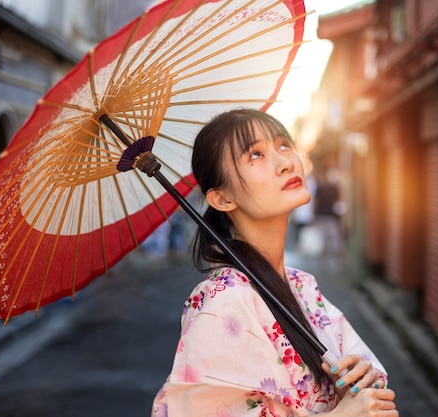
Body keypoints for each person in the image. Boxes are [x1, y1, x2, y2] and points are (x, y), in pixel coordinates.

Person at [151, 109, 398, 416]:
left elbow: (370, 385)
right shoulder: (221, 301)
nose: (285, 162)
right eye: (256, 154)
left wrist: (359, 381)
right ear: (223, 199)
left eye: (283, 144)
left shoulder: (302, 285)